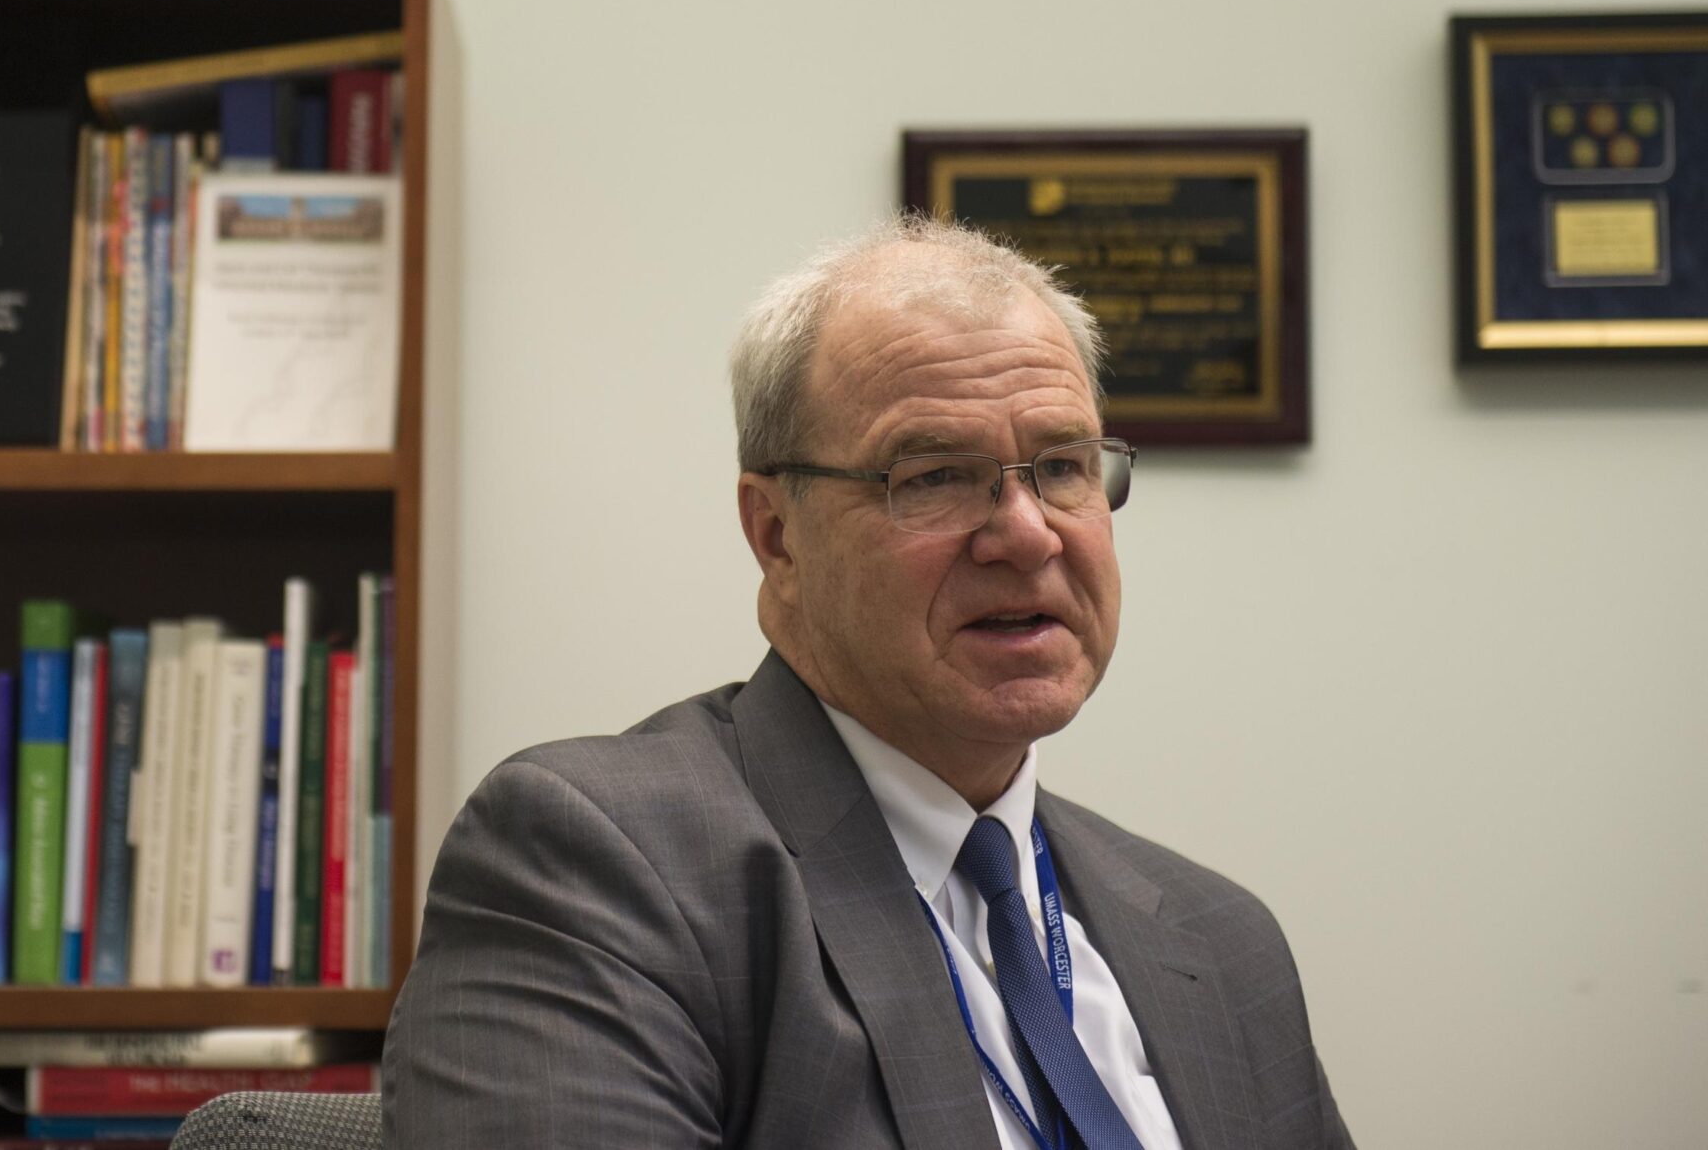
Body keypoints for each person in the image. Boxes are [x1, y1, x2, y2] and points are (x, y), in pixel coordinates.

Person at [383, 216, 1353, 1150]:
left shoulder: (1223, 941)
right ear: (777, 536)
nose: (1027, 533)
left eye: (1062, 466)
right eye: (934, 475)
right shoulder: (601, 866)